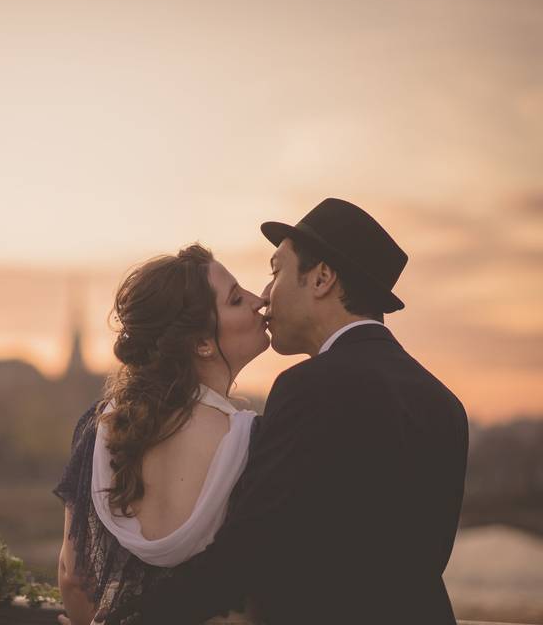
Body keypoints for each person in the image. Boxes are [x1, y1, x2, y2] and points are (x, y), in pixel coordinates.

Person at [104, 198, 469, 625]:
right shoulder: (445, 404)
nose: (264, 296)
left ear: (321, 279)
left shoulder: (311, 387)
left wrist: (131, 619)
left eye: (276, 270)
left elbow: (248, 550)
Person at [53, 243, 270, 625]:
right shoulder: (252, 439)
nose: (259, 301)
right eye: (237, 299)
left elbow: (73, 576)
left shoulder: (102, 427)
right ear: (202, 344)